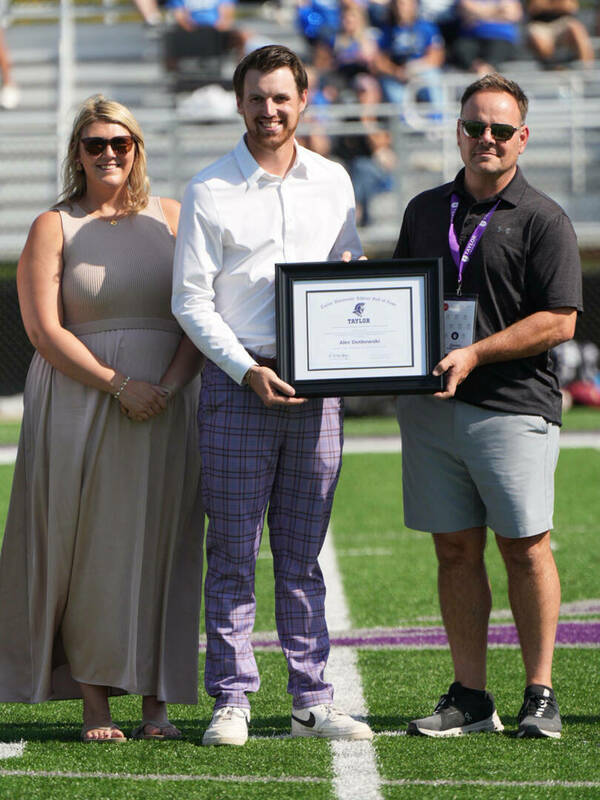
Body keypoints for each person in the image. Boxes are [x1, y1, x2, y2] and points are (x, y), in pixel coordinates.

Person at [172, 44, 373, 747]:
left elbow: (349, 268)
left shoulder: (333, 180)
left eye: (282, 97)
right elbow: (190, 302)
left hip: (319, 388)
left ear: (304, 101)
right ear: (239, 102)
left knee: (301, 555)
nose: (269, 110)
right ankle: (232, 700)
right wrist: (244, 369)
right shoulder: (208, 189)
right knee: (232, 554)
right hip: (239, 386)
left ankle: (311, 700)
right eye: (257, 97)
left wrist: (356, 282)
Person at [0, 95, 204, 742]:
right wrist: (120, 386)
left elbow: (199, 315)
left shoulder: (174, 217)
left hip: (168, 405)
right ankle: (95, 704)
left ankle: (157, 704)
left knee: (164, 547)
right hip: (79, 402)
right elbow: (42, 330)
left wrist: (166, 388)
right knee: (86, 549)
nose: (110, 153)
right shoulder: (53, 225)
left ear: (137, 148)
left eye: (121, 142)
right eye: (95, 144)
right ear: (78, 154)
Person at [393, 73, 582, 739]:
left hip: (512, 406)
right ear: (458, 133)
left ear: (522, 138)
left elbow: (560, 320)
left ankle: (540, 692)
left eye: (501, 130)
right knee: (453, 551)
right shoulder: (424, 209)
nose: (487, 139)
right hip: (432, 408)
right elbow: (398, 298)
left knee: (525, 548)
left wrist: (475, 352)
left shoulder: (544, 217)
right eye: (475, 127)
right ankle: (471, 697)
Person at [452, 0, 522, 74]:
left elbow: (513, 15)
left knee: (497, 51)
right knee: (462, 49)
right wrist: (498, 11)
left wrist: (478, 12)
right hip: (471, 37)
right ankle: (478, 69)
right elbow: (465, 9)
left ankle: (486, 69)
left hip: (501, 37)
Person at [526, 0, 594, 69]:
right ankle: (553, 66)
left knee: (576, 28)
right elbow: (535, 8)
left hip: (563, 21)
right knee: (538, 39)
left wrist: (547, 5)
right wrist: (558, 5)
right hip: (540, 24)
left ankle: (587, 68)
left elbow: (571, 7)